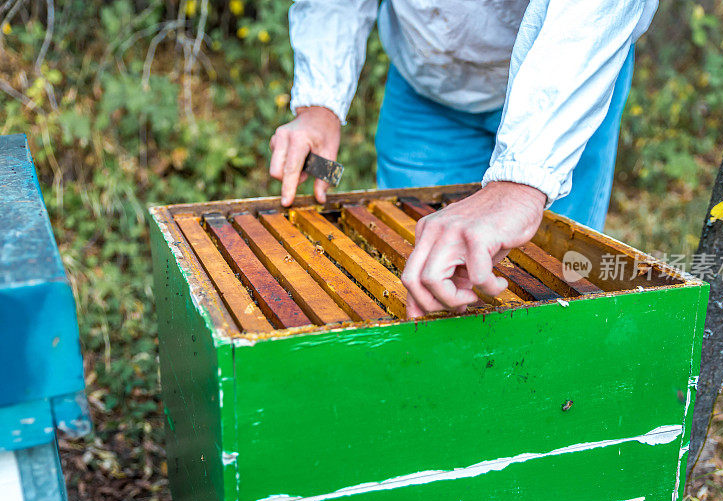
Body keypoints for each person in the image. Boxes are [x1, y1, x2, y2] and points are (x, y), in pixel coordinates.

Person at [269, 0, 657, 318]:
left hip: (568, 74)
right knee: (422, 276)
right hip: (426, 82)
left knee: (560, 284)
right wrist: (320, 102)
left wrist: (523, 182)